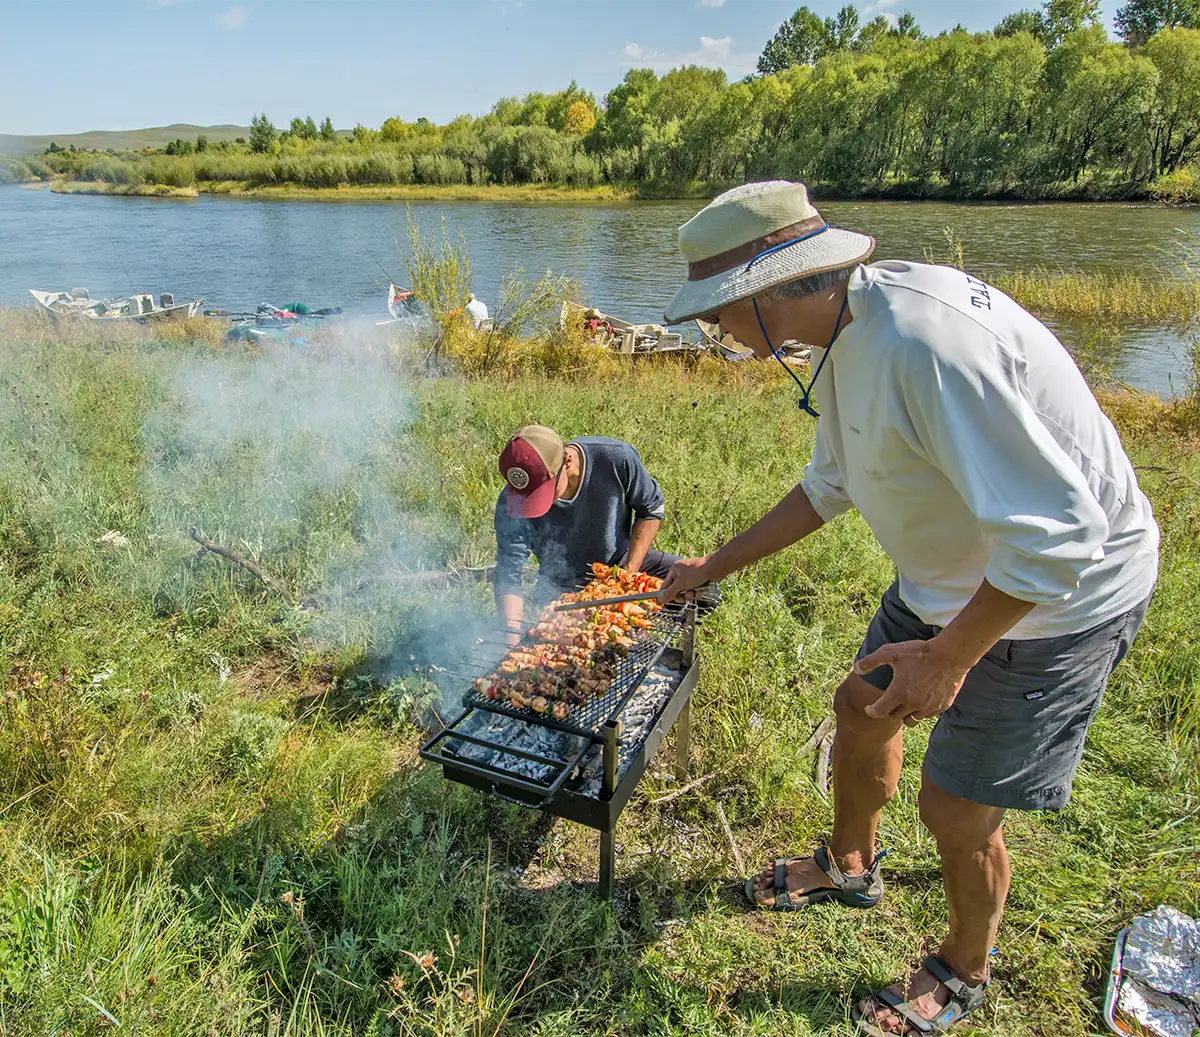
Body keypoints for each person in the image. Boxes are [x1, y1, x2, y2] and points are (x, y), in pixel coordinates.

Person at [659, 181, 1158, 1036]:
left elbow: (1061, 536)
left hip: (1053, 601)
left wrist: (952, 654)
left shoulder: (926, 347)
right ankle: (849, 863)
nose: (718, 333)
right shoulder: (846, 329)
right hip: (950, 577)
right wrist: (715, 563)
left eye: (719, 314)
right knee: (861, 705)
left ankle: (964, 969)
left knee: (956, 806)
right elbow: (830, 484)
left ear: (773, 295)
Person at [493, 425, 681, 640]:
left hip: (621, 562)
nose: (532, 502)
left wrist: (626, 579)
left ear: (567, 461)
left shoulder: (615, 458)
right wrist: (511, 635)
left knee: (700, 590)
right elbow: (509, 572)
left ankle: (642, 631)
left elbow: (651, 508)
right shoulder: (512, 502)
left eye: (540, 492)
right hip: (559, 585)